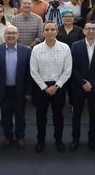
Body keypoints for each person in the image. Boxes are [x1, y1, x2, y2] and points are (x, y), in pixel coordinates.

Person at [30, 21, 72, 152]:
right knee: (40, 116)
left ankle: (58, 140)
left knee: (58, 115)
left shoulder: (65, 48)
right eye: (46, 30)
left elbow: (68, 70)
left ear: (57, 32)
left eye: (52, 29)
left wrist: (57, 86)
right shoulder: (36, 49)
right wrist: (44, 87)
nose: (49, 32)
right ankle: (40, 141)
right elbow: (33, 71)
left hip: (59, 86)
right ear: (43, 32)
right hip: (41, 87)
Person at [69, 22, 95, 151]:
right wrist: (82, 83)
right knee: (76, 115)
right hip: (78, 86)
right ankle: (75, 140)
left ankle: (92, 139)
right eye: (88, 29)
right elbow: (72, 67)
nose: (91, 31)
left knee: (93, 115)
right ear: (84, 31)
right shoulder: (75, 46)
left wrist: (92, 83)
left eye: (94, 29)